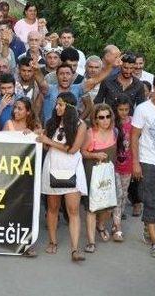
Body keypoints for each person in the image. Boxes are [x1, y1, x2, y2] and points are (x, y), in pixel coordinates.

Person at [38, 92, 88, 262]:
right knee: (52, 209)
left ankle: (75, 249)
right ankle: (53, 242)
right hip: (52, 167)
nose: (57, 107)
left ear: (70, 107)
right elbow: (45, 146)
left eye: (60, 104)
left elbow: (73, 149)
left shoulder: (81, 125)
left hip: (72, 169)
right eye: (57, 104)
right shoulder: (51, 122)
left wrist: (49, 141)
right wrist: (40, 137)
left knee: (73, 211)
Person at [131, 74, 155, 258]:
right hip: (148, 160)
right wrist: (136, 162)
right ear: (154, 89)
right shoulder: (143, 109)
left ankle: (147, 222)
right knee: (150, 200)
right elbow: (134, 135)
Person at [81, 103, 117, 254]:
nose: (105, 120)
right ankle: (91, 242)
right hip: (93, 172)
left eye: (108, 116)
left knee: (108, 205)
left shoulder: (115, 131)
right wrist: (95, 155)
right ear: (95, 119)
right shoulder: (90, 133)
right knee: (92, 206)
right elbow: (82, 152)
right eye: (101, 117)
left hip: (108, 172)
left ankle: (100, 226)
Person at [112, 94, 134, 242]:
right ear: (116, 109)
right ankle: (118, 227)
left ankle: (116, 221)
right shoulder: (111, 123)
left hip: (128, 164)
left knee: (124, 193)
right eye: (121, 109)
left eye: (126, 109)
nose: (124, 112)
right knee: (117, 193)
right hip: (113, 165)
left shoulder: (134, 123)